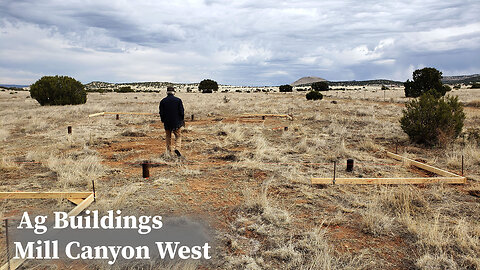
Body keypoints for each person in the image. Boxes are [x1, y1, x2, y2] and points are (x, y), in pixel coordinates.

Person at [159, 86, 184, 157]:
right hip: (177, 122)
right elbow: (182, 112)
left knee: (168, 137)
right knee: (178, 136)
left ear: (167, 92)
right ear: (174, 92)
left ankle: (168, 151)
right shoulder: (178, 100)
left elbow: (161, 112)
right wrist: (181, 120)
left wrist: (163, 120)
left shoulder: (163, 101)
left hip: (167, 122)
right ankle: (177, 148)